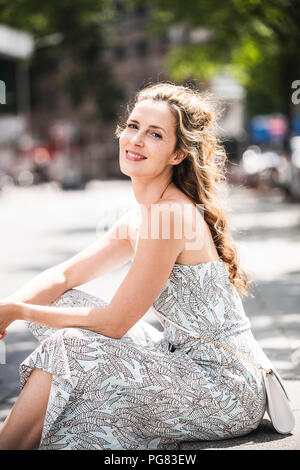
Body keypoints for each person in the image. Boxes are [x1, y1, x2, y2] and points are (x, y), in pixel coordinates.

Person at [0, 82, 271, 450]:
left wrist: (17, 310)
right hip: (177, 357)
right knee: (56, 302)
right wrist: (5, 313)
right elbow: (65, 275)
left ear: (177, 154)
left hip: (225, 389)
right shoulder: (141, 217)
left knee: (70, 346)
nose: (137, 140)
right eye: (133, 126)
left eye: (155, 134)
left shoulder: (170, 216)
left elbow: (115, 323)